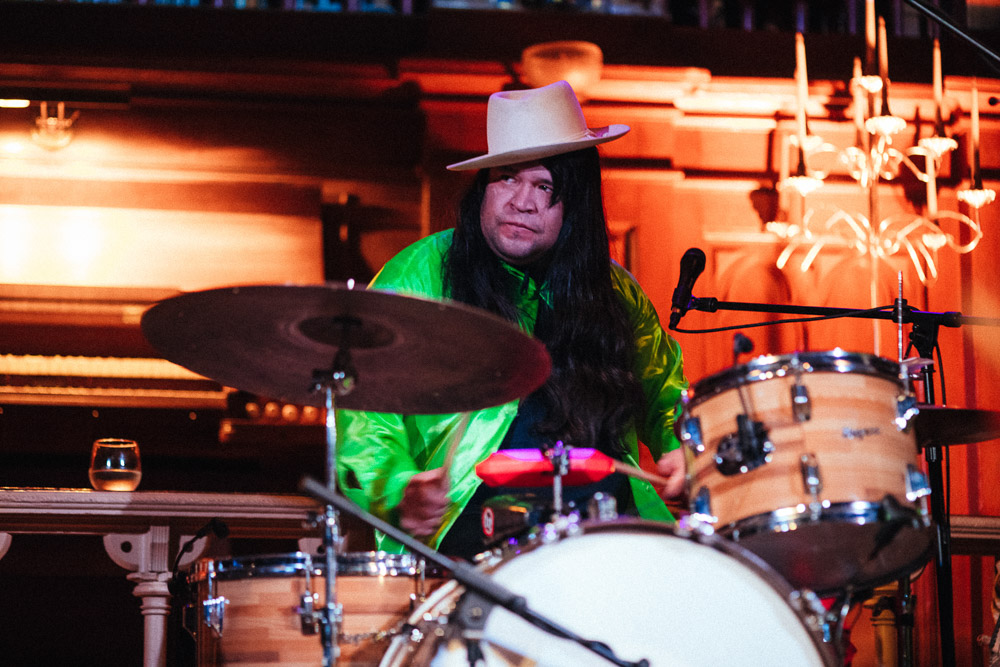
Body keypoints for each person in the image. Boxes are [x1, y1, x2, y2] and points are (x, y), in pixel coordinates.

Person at [336, 80, 688, 560]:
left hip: (609, 544)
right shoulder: (420, 273)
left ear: (575, 206)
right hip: (467, 549)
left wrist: (681, 446)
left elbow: (669, 397)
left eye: (544, 186)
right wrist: (399, 491)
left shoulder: (616, 294)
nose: (521, 201)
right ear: (482, 186)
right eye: (506, 177)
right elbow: (363, 414)